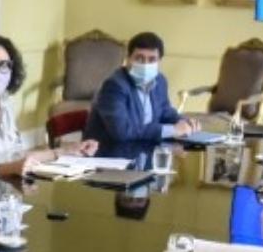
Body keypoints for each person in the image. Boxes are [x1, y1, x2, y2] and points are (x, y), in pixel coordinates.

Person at [0, 35, 95, 186]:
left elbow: (17, 157)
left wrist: (66, 150)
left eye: (3, 65)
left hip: (5, 190)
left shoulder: (5, 104)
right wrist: (10, 168)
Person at [82, 32, 199, 160]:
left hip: (142, 151)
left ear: (159, 61)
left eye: (152, 59)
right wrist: (172, 130)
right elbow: (121, 131)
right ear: (128, 59)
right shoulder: (115, 85)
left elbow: (165, 111)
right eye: (139, 58)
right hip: (109, 156)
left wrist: (182, 121)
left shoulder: (160, 81)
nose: (145, 64)